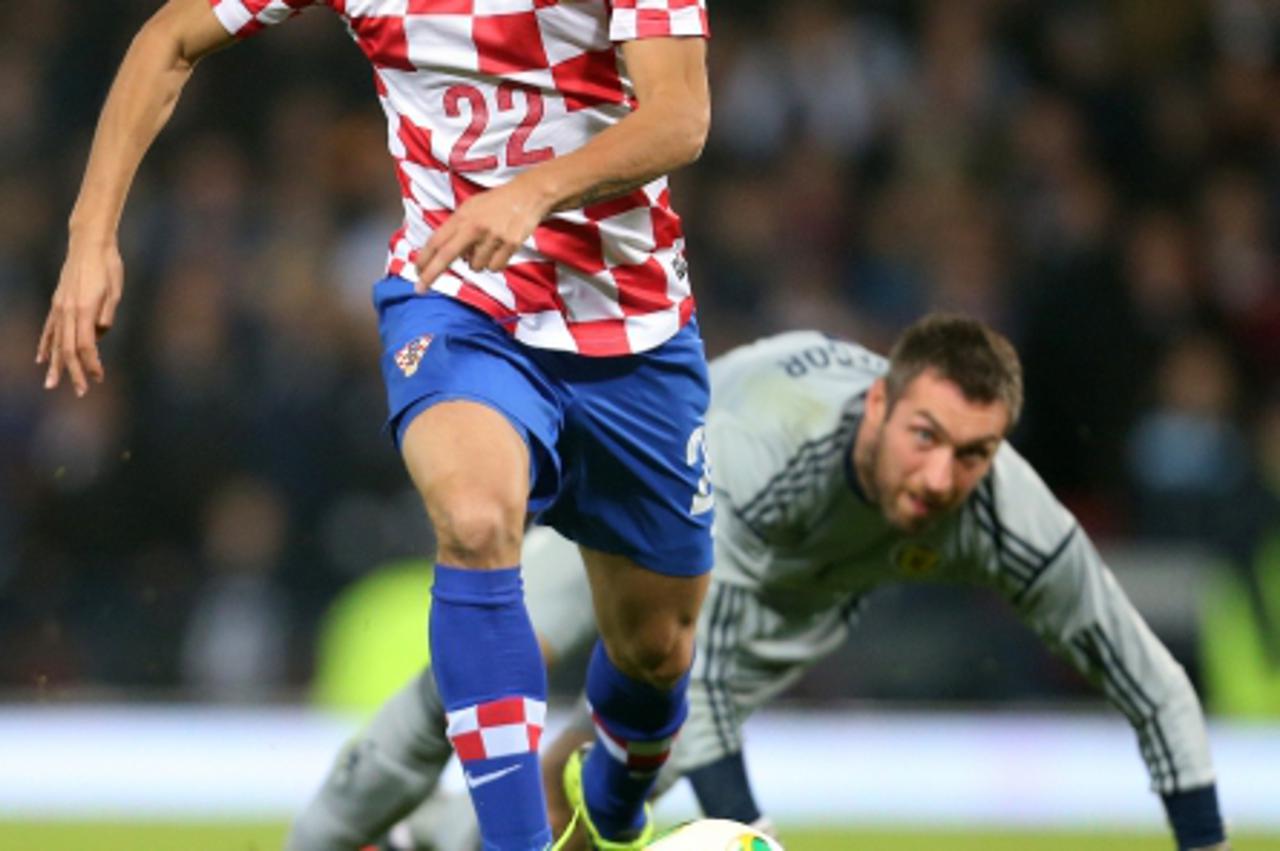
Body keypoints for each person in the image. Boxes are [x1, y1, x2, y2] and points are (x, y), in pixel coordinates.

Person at [36, 1, 714, 849]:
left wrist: (532, 193)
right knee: (474, 519)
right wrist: (91, 235)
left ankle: (616, 799)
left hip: (634, 330)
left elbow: (680, 115)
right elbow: (167, 38)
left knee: (658, 649)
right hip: (460, 299)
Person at [293, 316, 1231, 851]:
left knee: (595, 793)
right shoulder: (769, 452)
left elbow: (1148, 681)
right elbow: (677, 674)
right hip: (639, 502)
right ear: (878, 405)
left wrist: (1205, 843)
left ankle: (428, 842)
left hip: (782, 602)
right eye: (926, 438)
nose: (945, 477)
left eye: (975, 453)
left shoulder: (1003, 512)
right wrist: (746, 824)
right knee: (485, 675)